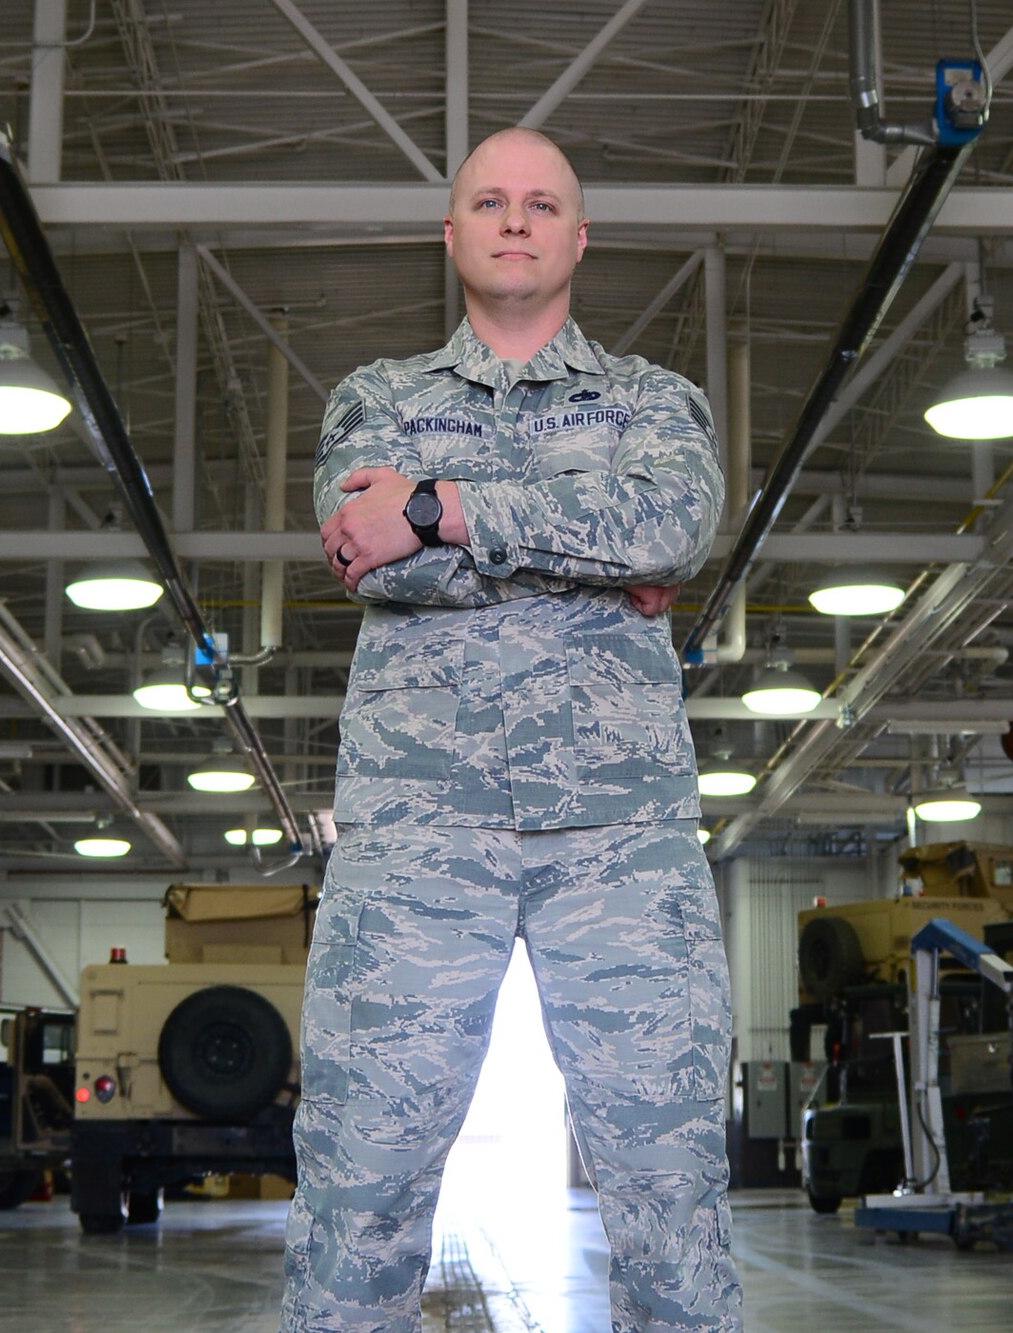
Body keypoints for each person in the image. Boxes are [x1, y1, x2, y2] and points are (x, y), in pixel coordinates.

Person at [280, 126, 741, 1332]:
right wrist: (586, 555)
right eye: (488, 200)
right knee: (357, 1188)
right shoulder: (374, 398)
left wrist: (438, 509)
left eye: (542, 202)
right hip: (414, 837)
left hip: (619, 840)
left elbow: (667, 527)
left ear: (578, 237)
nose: (516, 217)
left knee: (669, 1194)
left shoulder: (652, 399)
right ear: (452, 235)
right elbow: (367, 563)